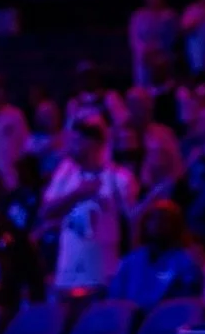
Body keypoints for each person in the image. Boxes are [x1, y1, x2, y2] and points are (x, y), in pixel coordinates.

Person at [40, 118, 139, 298]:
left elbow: (133, 224)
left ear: (95, 143)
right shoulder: (65, 173)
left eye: (78, 140)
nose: (71, 145)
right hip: (67, 275)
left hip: (104, 274)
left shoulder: (119, 178)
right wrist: (78, 192)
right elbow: (45, 212)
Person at [106, 200, 205, 307]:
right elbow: (114, 300)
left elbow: (187, 301)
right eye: (154, 218)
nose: (159, 223)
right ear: (145, 223)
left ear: (176, 225)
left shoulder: (186, 262)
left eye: (165, 219)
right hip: (130, 320)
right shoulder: (129, 262)